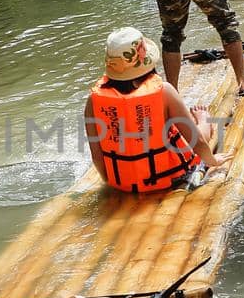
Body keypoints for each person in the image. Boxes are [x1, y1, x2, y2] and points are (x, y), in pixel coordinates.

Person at [84, 27, 233, 194]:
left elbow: (96, 154)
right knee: (199, 127)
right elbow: (196, 141)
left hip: (122, 183)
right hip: (170, 177)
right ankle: (203, 117)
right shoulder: (164, 91)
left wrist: (112, 183)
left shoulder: (93, 100)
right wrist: (212, 160)